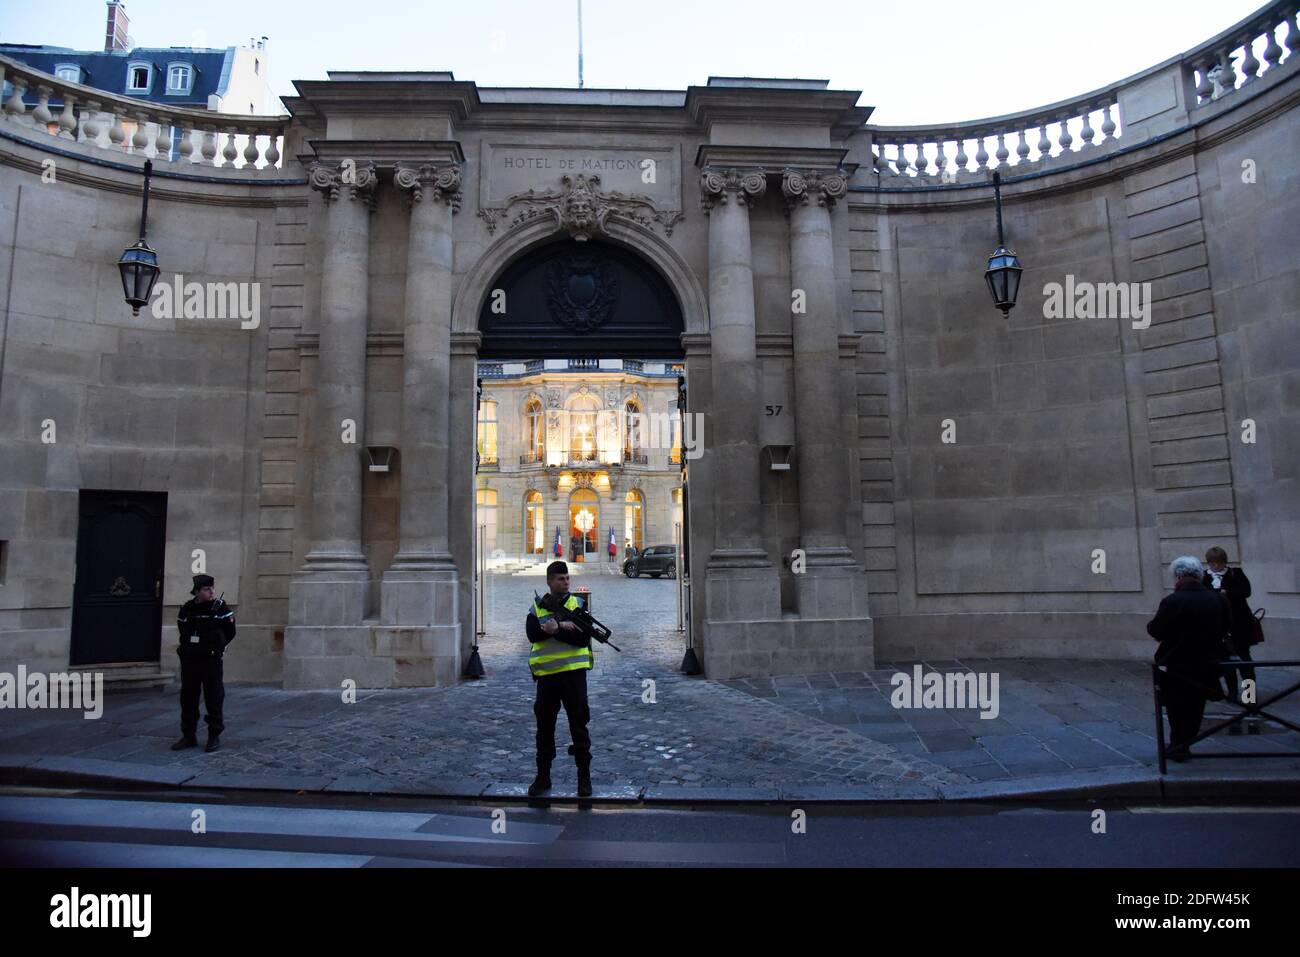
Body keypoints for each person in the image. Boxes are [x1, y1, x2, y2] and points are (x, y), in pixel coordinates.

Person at [525, 560, 594, 797]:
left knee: (579, 727)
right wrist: (559, 628)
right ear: (549, 581)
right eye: (559, 579)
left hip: (574, 678)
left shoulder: (578, 604)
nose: (565, 582)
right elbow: (532, 633)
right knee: (544, 730)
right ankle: (542, 778)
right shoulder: (538, 606)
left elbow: (584, 639)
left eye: (567, 578)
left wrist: (558, 629)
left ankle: (584, 781)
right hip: (547, 679)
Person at [1148, 556, 1227, 761]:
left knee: (1176, 706)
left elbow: (1156, 629)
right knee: (1196, 706)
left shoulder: (1173, 600)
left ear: (1179, 576)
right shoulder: (1217, 598)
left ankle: (1179, 744)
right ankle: (1185, 743)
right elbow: (1228, 626)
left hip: (1178, 663)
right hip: (1208, 662)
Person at [173, 574, 236, 753]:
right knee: (188, 697)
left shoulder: (220, 608)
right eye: (207, 589)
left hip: (210, 659)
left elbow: (230, 631)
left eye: (212, 588)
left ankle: (213, 735)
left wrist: (217, 646)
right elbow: (182, 628)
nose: (211, 592)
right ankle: (188, 734)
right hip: (190, 659)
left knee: (214, 696)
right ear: (197, 592)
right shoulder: (187, 609)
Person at [1203, 546, 1259, 731]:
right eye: (1213, 562)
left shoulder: (1236, 573)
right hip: (1219, 626)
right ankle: (1232, 693)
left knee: (1245, 660)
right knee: (1226, 661)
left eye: (1220, 562)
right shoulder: (1205, 576)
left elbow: (1246, 591)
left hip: (1240, 624)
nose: (1217, 565)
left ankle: (1249, 694)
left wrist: (1227, 592)